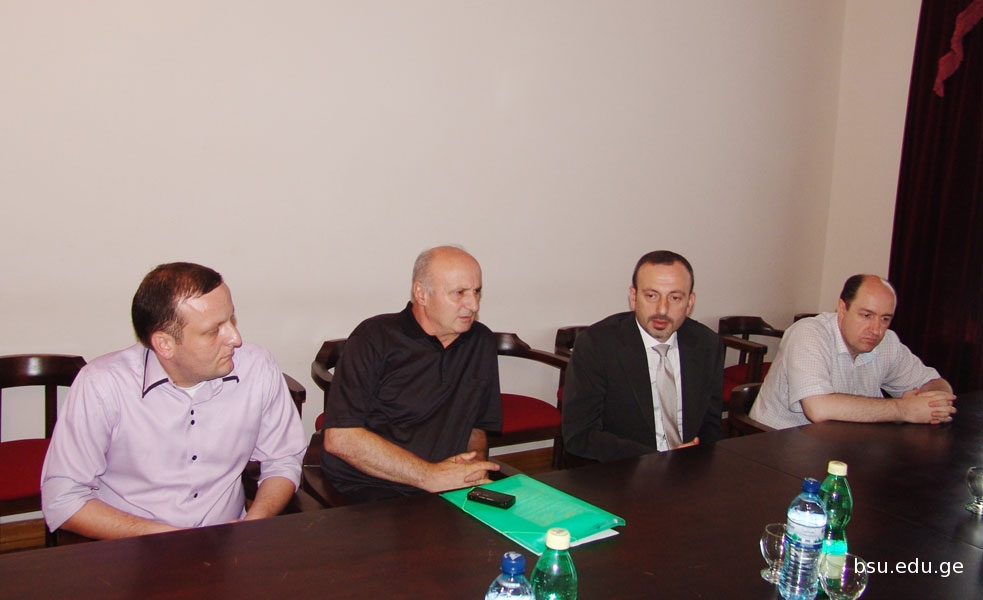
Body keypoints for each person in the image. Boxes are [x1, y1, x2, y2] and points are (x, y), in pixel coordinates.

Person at [41, 262, 306, 540]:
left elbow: (283, 459)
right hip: (131, 545)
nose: (235, 338)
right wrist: (170, 539)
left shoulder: (257, 368)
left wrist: (254, 521)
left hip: (228, 543)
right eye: (213, 331)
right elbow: (63, 499)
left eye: (231, 319)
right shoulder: (103, 385)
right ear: (165, 344)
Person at [320, 246, 502, 502]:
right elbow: (340, 437)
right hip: (370, 486)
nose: (473, 305)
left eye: (477, 292)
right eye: (459, 293)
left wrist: (471, 466)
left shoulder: (480, 341)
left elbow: (477, 426)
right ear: (421, 293)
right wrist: (429, 476)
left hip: (445, 485)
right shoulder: (374, 338)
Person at [562, 250, 724, 463]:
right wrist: (657, 461)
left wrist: (694, 458)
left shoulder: (707, 345)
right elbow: (579, 435)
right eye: (651, 296)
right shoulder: (596, 345)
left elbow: (711, 425)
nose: (662, 309)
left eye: (675, 298)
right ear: (633, 297)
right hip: (624, 469)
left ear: (689, 303)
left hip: (689, 469)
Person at [749, 274, 956, 429]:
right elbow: (818, 409)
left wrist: (936, 403)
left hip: (847, 445)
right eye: (866, 315)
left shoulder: (888, 342)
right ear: (842, 309)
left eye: (885, 319)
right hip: (778, 444)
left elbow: (934, 382)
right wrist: (904, 409)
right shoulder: (809, 333)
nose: (876, 330)